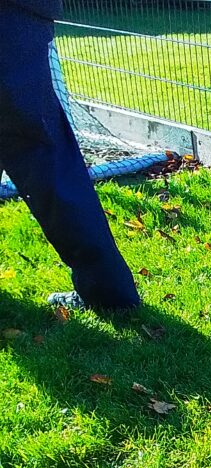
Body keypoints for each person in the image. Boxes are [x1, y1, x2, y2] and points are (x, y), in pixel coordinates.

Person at [0, 0, 140, 310]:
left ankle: (108, 290)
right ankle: (109, 292)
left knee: (42, 151)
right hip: (18, 20)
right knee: (45, 155)